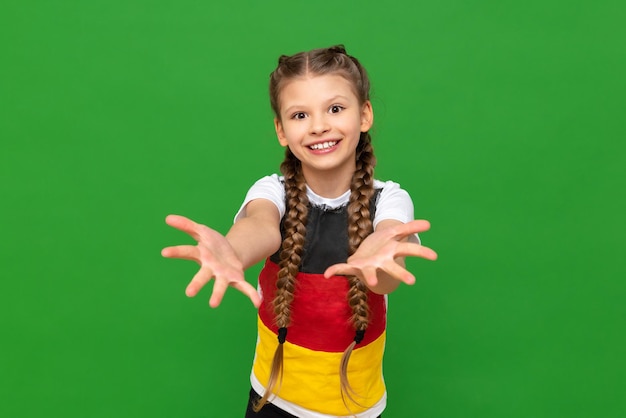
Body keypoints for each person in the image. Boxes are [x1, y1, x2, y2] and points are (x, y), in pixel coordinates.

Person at [162, 45, 438, 418]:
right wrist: (232, 250)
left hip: (356, 409)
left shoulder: (390, 200)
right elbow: (259, 227)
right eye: (299, 115)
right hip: (270, 401)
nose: (318, 125)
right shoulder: (271, 191)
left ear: (365, 115)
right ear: (280, 129)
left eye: (336, 109)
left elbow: (384, 277)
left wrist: (380, 254)